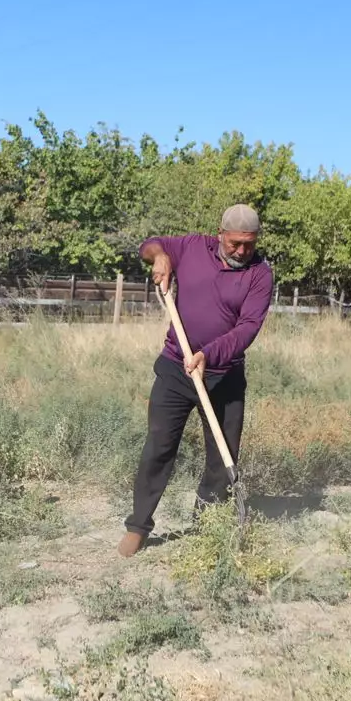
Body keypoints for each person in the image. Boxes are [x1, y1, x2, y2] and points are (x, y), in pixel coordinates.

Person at [118, 204, 274, 557]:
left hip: (224, 375)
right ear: (220, 234)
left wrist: (210, 355)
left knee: (222, 456)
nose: (241, 251)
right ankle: (138, 526)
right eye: (235, 243)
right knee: (158, 446)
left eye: (249, 244)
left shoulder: (260, 274)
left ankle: (206, 528)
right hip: (176, 367)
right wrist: (160, 257)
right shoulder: (191, 247)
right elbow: (151, 244)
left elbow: (248, 327)